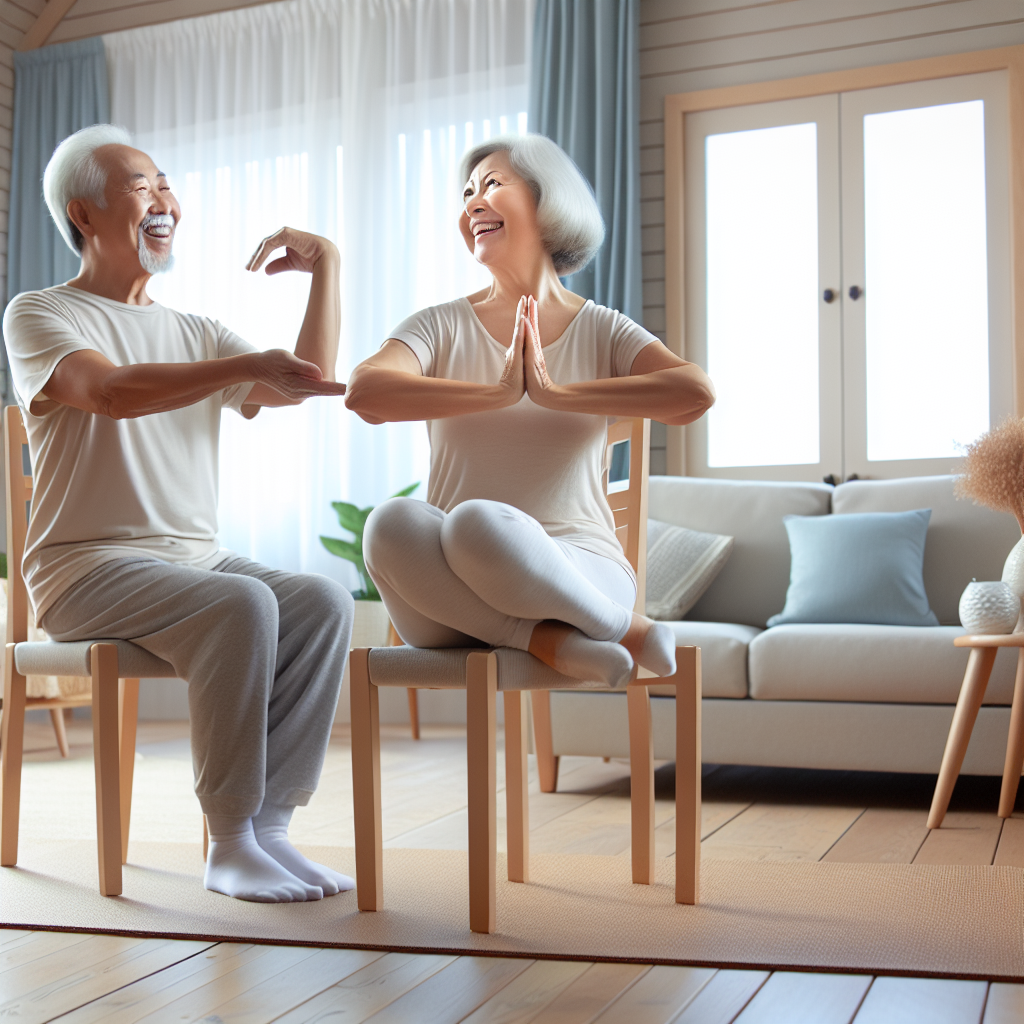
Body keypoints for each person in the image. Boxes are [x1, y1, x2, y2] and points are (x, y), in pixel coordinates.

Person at [3, 124, 354, 904]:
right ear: (84, 214)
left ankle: (270, 831)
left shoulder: (195, 332)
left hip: (192, 561)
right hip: (83, 569)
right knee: (243, 601)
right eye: (139, 185)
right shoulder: (38, 312)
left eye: (165, 184)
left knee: (324, 601)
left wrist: (325, 265)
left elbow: (302, 380)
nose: (162, 200)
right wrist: (242, 365)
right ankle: (227, 840)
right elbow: (107, 393)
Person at [345, 134, 715, 687]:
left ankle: (564, 634)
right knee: (391, 523)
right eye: (467, 192)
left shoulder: (601, 327)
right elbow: (365, 393)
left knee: (476, 520)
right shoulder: (439, 324)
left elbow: (694, 393)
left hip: (578, 572)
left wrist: (555, 394)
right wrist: (496, 393)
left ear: (547, 201)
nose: (472, 202)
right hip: (450, 598)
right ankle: (619, 632)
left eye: (492, 184)